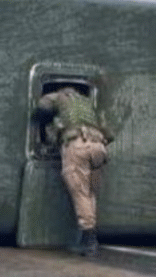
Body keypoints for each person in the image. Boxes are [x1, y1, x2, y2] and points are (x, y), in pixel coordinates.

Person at [35, 85, 112, 257]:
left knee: (80, 193)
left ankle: (89, 240)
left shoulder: (57, 97)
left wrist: (45, 126)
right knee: (90, 193)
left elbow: (42, 110)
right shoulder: (88, 103)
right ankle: (89, 237)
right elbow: (109, 132)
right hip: (99, 146)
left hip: (77, 144)